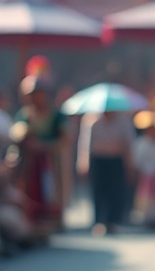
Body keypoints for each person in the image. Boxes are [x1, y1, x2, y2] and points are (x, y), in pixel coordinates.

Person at [7, 57, 69, 242]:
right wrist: (23, 134)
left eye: (38, 93)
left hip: (50, 161)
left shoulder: (56, 114)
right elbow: (16, 132)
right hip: (29, 164)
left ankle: (51, 223)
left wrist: (45, 146)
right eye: (31, 95)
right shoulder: (25, 114)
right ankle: (29, 225)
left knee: (50, 192)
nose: (35, 98)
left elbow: (66, 137)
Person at [77, 110, 136, 235]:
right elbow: (85, 144)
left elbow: (129, 144)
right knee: (98, 191)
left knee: (115, 192)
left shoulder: (123, 121)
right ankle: (99, 221)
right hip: (98, 160)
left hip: (116, 159)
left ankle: (113, 221)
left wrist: (130, 164)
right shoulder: (91, 120)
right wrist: (83, 163)